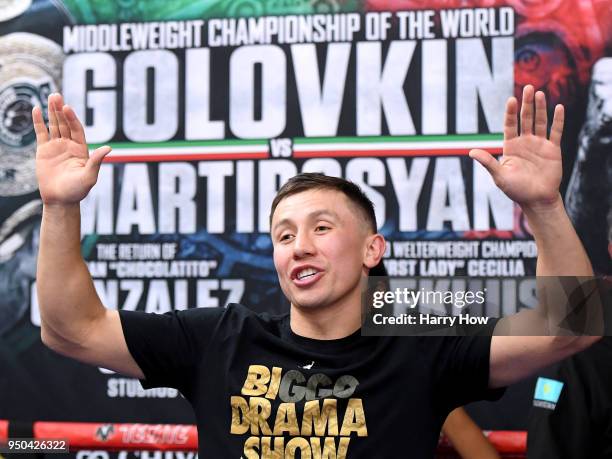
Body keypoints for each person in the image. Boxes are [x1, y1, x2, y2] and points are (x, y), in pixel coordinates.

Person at [34, 86, 600, 457]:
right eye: (284, 235)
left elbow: (571, 327)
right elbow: (69, 328)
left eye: (322, 228)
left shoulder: (419, 343)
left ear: (372, 249)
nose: (299, 247)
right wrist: (60, 207)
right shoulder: (219, 339)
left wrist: (544, 207)